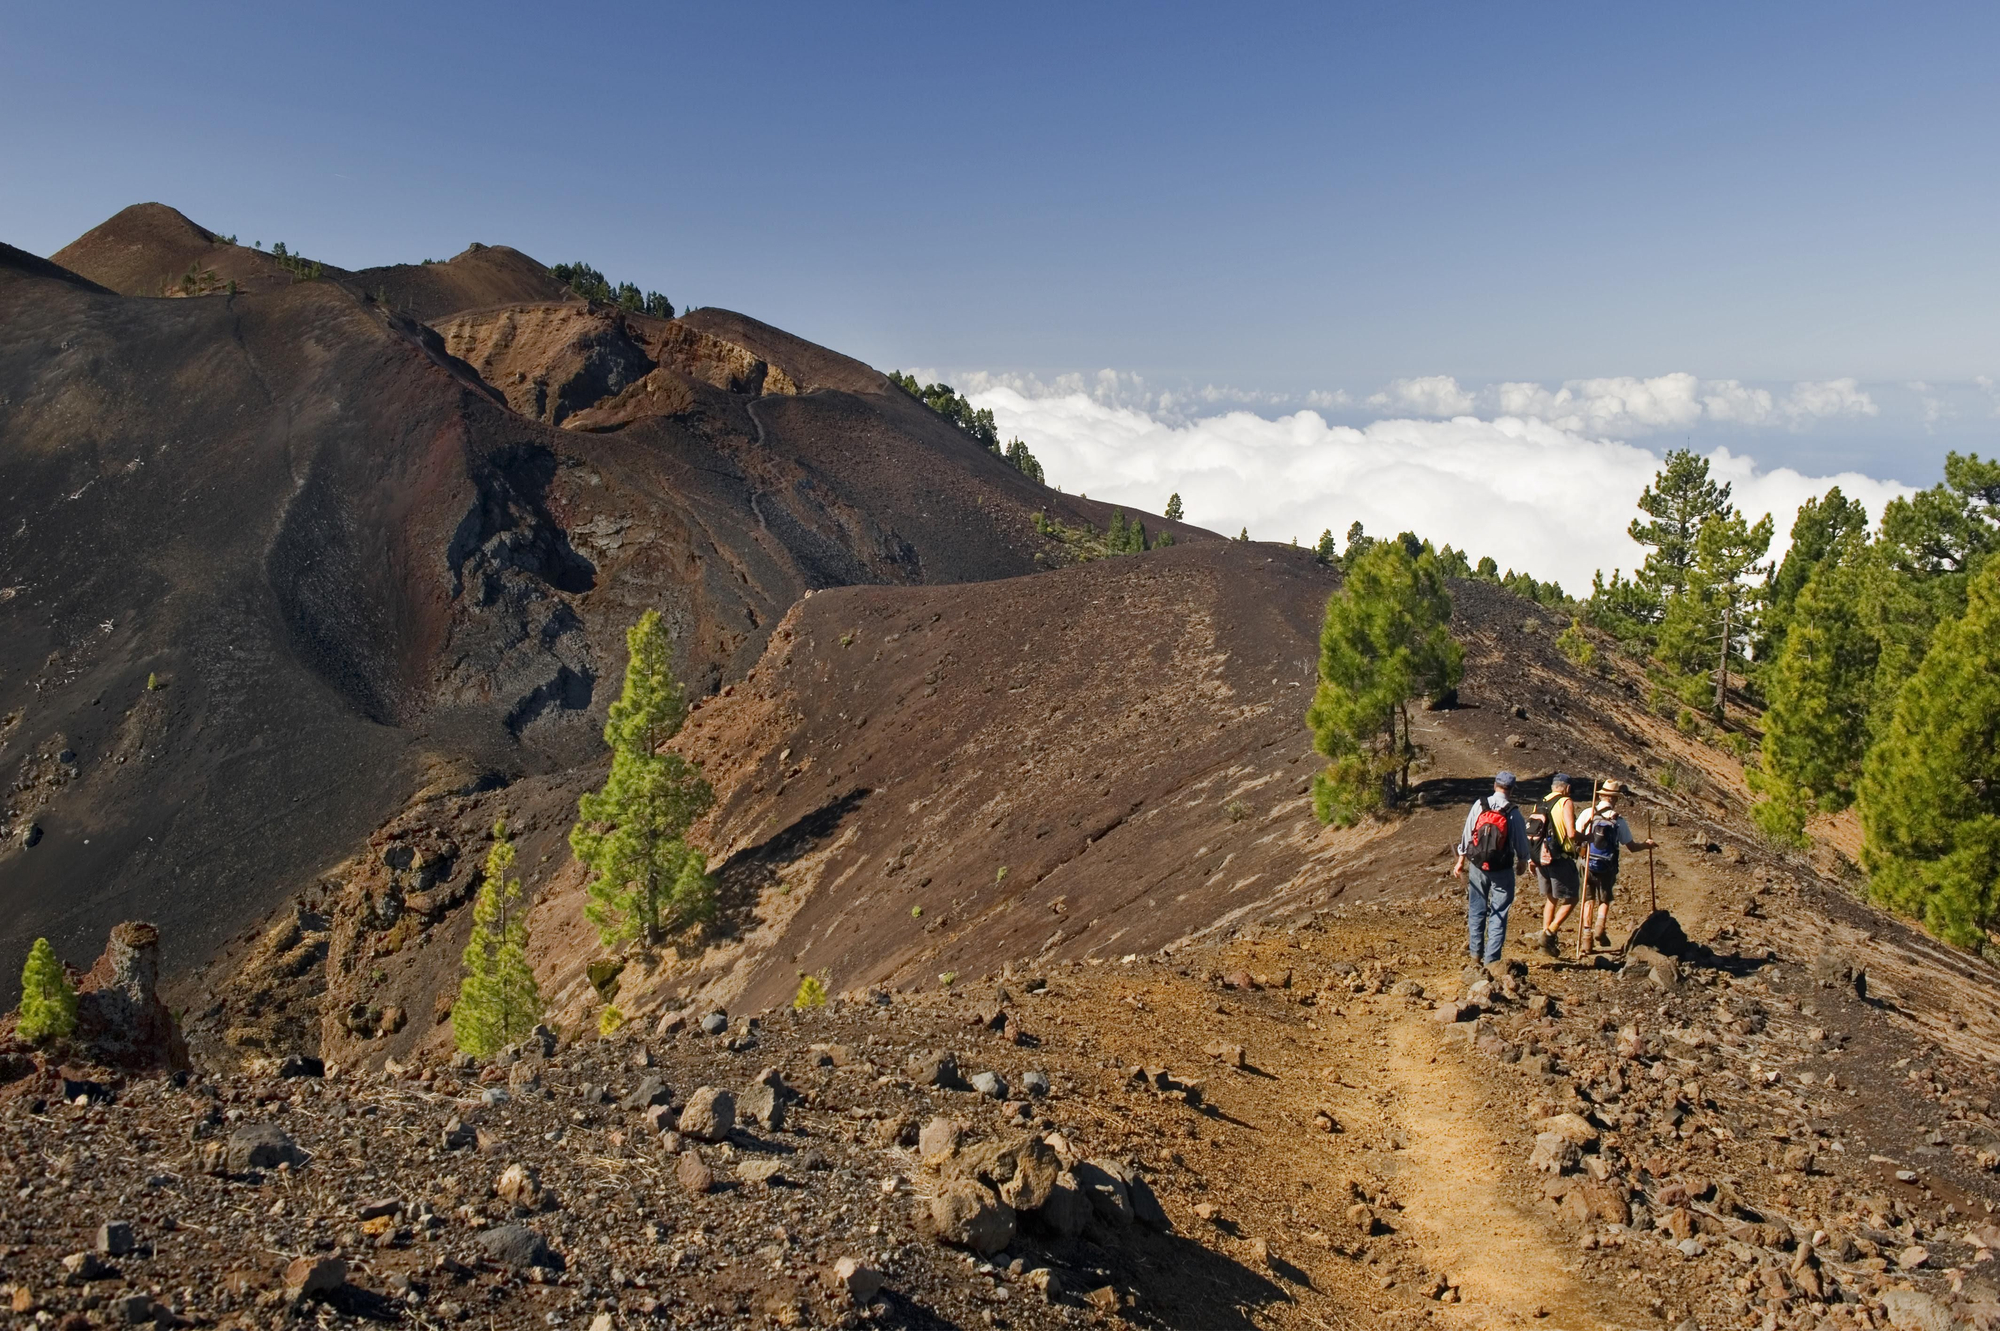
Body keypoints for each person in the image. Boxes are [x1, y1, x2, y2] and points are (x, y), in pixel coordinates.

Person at [1452, 771, 1532, 966]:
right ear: (1511, 790)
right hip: (1502, 869)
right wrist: (1522, 862)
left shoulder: (1480, 805)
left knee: (1476, 910)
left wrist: (1461, 860)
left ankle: (1475, 956)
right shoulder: (1513, 812)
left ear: (1495, 785)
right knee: (1499, 913)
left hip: (1478, 866)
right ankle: (1492, 961)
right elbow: (1521, 843)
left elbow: (1468, 833)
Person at [1576, 779, 1657, 954]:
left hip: (1586, 862)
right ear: (1614, 799)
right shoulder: (1618, 819)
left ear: (1601, 796)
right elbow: (1632, 847)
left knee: (1587, 899)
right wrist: (1647, 844)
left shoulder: (1587, 813)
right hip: (1607, 865)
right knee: (1605, 898)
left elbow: (1576, 836)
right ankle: (1600, 926)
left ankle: (1587, 938)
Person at [1529, 773, 1581, 956]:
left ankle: (1546, 945)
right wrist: (1586, 837)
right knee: (1572, 897)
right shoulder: (1565, 802)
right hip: (1559, 857)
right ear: (1566, 787)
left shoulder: (1540, 803)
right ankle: (1550, 933)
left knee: (1551, 898)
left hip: (1540, 857)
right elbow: (1572, 833)